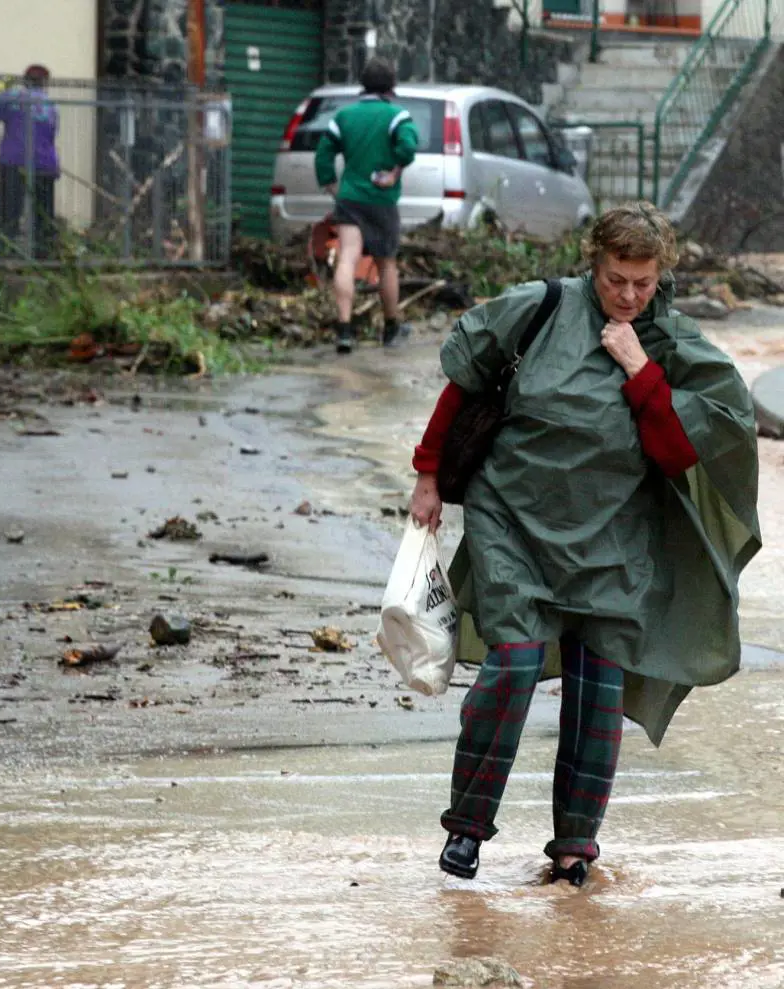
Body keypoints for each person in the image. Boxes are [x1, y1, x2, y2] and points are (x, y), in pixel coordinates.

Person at [409, 202, 761, 886]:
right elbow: (464, 385)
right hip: (512, 518)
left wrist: (640, 370)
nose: (628, 295)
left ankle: (575, 846)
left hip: (613, 536)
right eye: (615, 279)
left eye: (642, 282)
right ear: (592, 264)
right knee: (511, 665)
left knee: (598, 690)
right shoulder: (536, 309)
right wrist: (428, 473)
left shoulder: (667, 341)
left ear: (661, 277)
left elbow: (684, 447)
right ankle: (467, 827)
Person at [314, 57, 419, 354]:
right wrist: (395, 171)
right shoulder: (397, 116)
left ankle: (344, 330)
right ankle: (390, 328)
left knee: (347, 257)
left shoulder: (344, 116)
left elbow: (323, 152)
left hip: (350, 197)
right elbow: (408, 147)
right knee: (386, 263)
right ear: (391, 86)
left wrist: (330, 183)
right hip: (381, 200)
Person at [0, 65, 59, 258]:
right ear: (45, 83)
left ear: (24, 80)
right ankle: (44, 256)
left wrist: (0, 86)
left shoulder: (14, 97)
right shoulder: (50, 104)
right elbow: (52, 133)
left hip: (14, 162)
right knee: (43, 215)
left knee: (8, 213)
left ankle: (2, 256)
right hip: (45, 164)